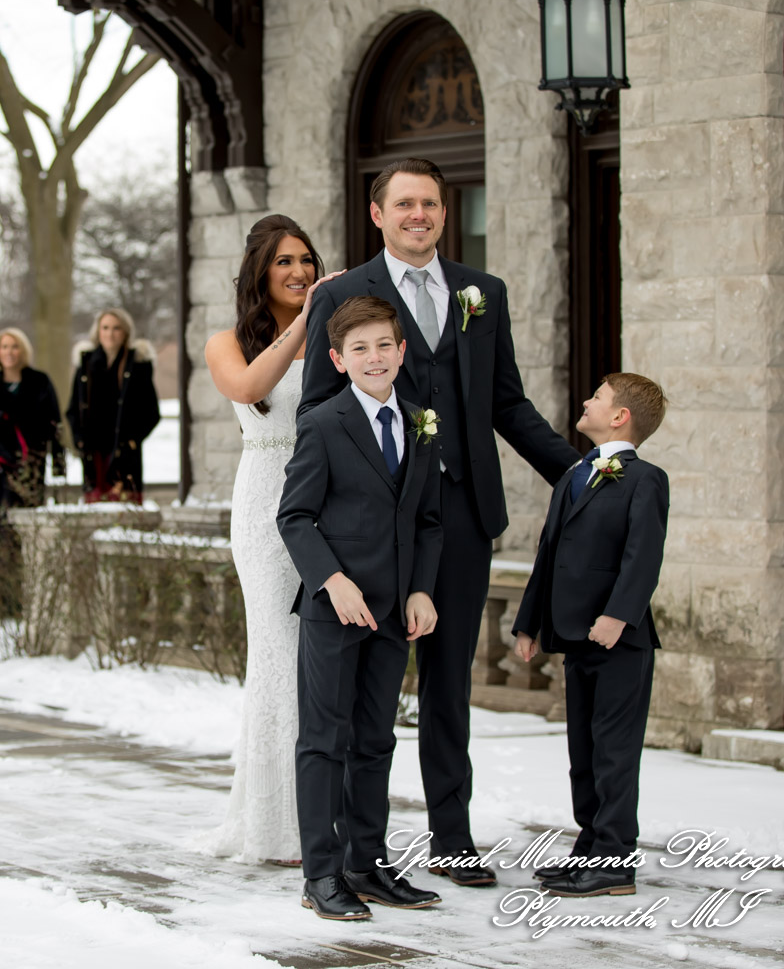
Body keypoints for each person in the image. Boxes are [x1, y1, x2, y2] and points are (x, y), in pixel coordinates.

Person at [298, 157, 580, 887]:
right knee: (365, 697)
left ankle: (452, 841)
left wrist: (575, 471)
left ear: (444, 213)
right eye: (404, 204)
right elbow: (318, 409)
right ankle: (357, 855)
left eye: (429, 203)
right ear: (378, 214)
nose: (418, 215)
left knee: (450, 683)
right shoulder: (344, 294)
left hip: (461, 515)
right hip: (376, 525)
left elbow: (507, 403)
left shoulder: (483, 293)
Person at [277, 296, 444, 920]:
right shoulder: (324, 423)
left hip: (393, 611)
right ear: (338, 359)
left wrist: (421, 588)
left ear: (401, 352)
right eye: (359, 348)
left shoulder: (421, 422)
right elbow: (294, 517)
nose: (374, 357)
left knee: (376, 740)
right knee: (324, 741)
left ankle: (366, 865)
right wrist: (331, 580)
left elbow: (427, 519)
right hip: (336, 610)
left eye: (383, 345)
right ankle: (321, 875)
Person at [202, 214, 343, 865]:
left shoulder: (337, 337)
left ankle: (326, 815)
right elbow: (251, 386)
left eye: (306, 260)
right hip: (265, 505)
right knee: (279, 656)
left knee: (325, 661)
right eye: (285, 262)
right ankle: (278, 823)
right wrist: (307, 320)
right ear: (260, 273)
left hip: (332, 505)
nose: (300, 272)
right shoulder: (226, 343)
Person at [513, 373, 670, 898]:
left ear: (620, 416)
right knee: (583, 750)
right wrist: (529, 622)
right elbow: (548, 554)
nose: (586, 400)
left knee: (614, 751)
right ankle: (590, 847)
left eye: (598, 397)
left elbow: (643, 556)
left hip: (619, 640)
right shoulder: (574, 475)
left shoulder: (646, 479)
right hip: (573, 636)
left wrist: (617, 616)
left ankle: (616, 859)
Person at [0, 327, 63, 614]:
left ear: (23, 350)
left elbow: (53, 422)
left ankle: (24, 597)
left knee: (26, 529)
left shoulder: (38, 381)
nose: (9, 352)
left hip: (29, 466)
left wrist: (59, 465)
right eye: (4, 347)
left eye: (14, 346)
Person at [66, 308, 161, 503]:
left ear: (125, 332)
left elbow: (151, 412)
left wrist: (133, 441)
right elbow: (73, 409)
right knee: (94, 507)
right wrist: (79, 440)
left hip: (124, 451)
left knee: (126, 509)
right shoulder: (85, 364)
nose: (110, 333)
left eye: (116, 328)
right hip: (93, 451)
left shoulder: (138, 365)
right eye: (105, 328)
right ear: (97, 331)